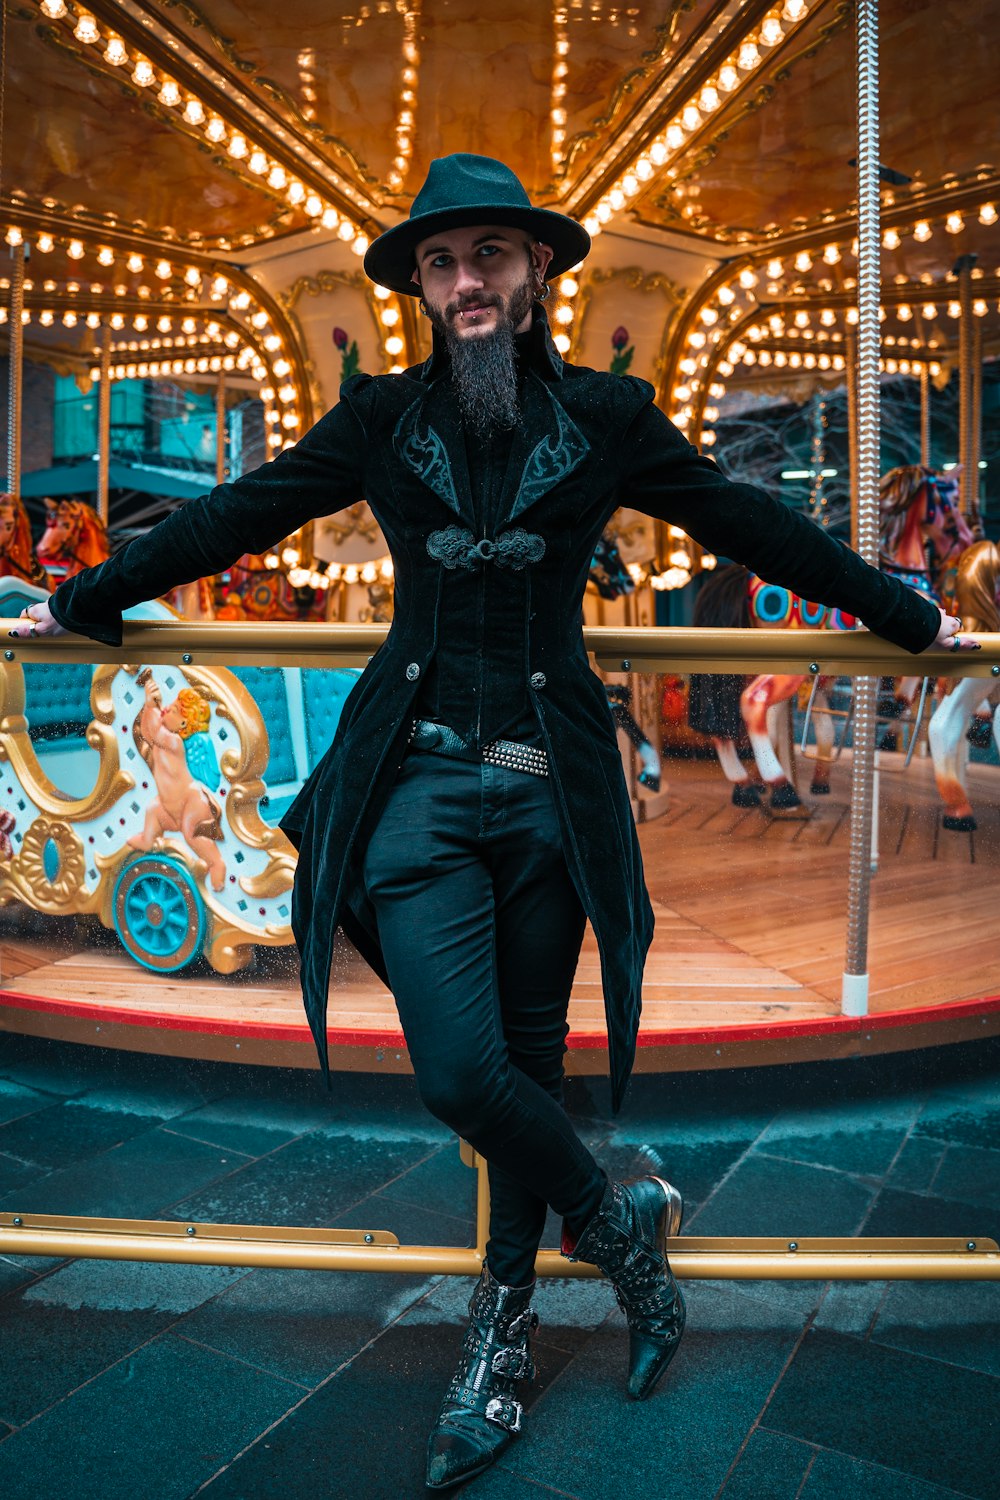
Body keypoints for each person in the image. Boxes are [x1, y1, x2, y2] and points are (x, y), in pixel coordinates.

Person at [9, 154, 979, 1492]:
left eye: (491, 256)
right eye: (444, 260)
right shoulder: (377, 416)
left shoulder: (611, 416)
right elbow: (244, 509)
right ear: (421, 282)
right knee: (462, 1070)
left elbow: (749, 521)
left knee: (524, 1051)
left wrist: (911, 616)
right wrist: (91, 595)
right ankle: (619, 1212)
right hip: (416, 777)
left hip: (551, 789)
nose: (468, 280)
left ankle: (501, 1332)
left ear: (536, 275)